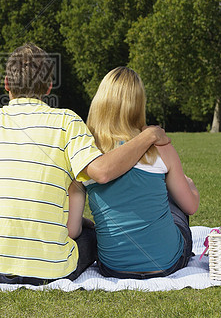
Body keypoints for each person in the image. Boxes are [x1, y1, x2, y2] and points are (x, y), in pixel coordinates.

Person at [0, 44, 170, 284]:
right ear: (48, 85)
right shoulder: (68, 122)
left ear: (7, 84)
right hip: (56, 269)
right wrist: (148, 135)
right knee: (91, 233)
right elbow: (100, 172)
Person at [71, 66, 199, 279]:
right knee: (174, 198)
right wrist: (191, 186)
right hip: (166, 263)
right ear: (139, 105)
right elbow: (191, 207)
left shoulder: (85, 153)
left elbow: (73, 228)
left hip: (113, 266)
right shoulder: (160, 148)